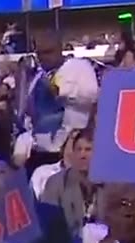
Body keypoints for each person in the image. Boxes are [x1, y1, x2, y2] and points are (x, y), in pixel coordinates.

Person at [25, 36, 99, 174]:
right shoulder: (38, 77)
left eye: (48, 52)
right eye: (39, 53)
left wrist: (61, 92)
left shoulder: (79, 67)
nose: (43, 58)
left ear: (60, 50)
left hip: (68, 149)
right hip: (39, 150)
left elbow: (92, 97)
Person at [39, 128, 97, 233]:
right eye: (78, 150)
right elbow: (47, 224)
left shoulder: (110, 185)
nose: (82, 155)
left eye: (88, 150)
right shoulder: (56, 183)